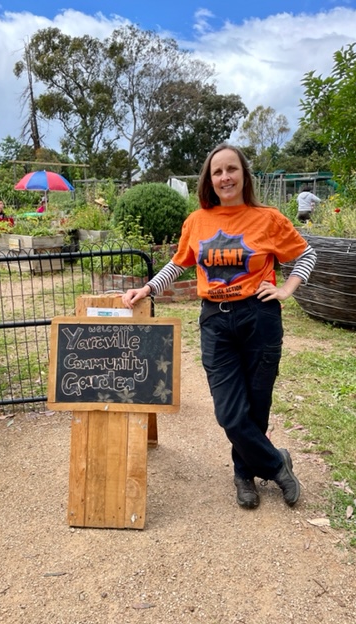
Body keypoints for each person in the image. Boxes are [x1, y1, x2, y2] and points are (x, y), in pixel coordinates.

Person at [122, 144, 317, 510]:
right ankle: (277, 463)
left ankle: (243, 475)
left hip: (258, 315)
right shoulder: (197, 221)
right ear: (209, 180)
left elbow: (306, 254)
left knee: (257, 405)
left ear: (244, 174)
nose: (225, 177)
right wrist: (147, 288)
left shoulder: (269, 218)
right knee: (228, 411)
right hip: (214, 320)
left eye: (232, 169)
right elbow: (178, 265)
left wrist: (286, 288)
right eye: (217, 172)